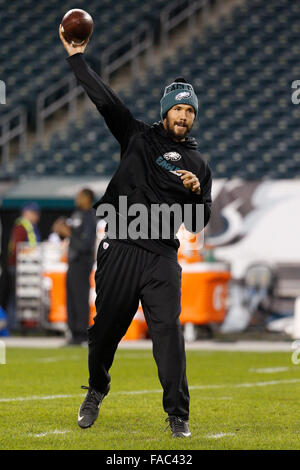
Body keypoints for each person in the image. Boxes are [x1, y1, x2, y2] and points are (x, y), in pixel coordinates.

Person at [59, 25, 212, 438]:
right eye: (178, 108)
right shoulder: (136, 136)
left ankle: (177, 414)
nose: (183, 115)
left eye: (190, 110)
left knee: (168, 334)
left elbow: (197, 223)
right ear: (166, 111)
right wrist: (77, 58)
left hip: (162, 256)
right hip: (121, 246)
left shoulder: (200, 167)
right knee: (104, 331)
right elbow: (104, 100)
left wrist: (197, 196)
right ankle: (96, 389)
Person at [53, 188, 96, 345]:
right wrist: (60, 230)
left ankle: (82, 333)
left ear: (88, 198)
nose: (77, 198)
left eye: (80, 196)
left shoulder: (90, 217)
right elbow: (69, 234)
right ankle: (73, 333)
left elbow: (85, 244)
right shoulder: (76, 214)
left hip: (83, 262)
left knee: (80, 298)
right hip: (72, 261)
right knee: (71, 297)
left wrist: (69, 233)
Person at [7, 202, 41, 332]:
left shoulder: (30, 227)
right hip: (18, 267)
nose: (37, 216)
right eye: (34, 213)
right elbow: (18, 248)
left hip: (24, 267)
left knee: (20, 297)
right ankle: (12, 325)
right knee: (16, 297)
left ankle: (18, 325)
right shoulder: (22, 227)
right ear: (27, 213)